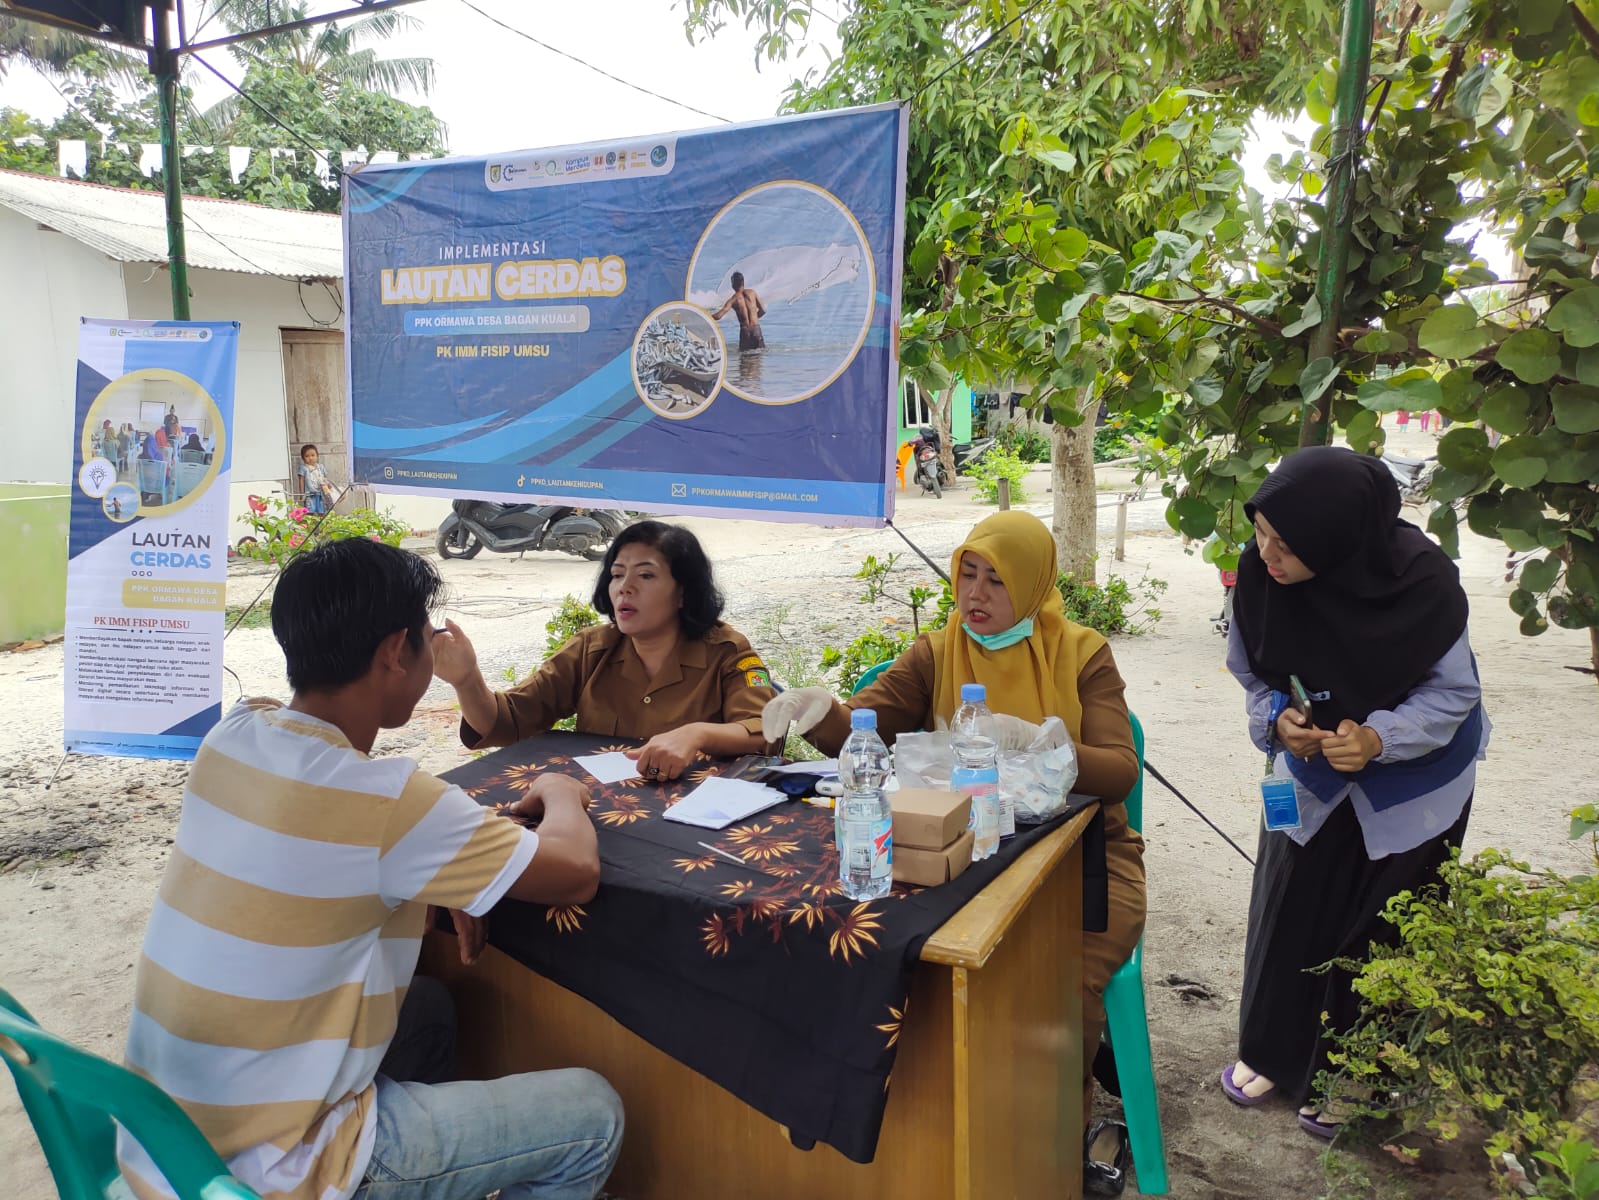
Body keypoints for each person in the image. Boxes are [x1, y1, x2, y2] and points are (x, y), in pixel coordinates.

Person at [118, 538, 623, 1200]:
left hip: (168, 1138)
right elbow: (575, 870)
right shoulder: (388, 802)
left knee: (430, 1010)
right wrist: (560, 790)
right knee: (593, 1116)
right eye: (426, 637)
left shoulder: (233, 735)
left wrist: (435, 882)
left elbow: (320, 860)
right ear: (394, 652)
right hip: (276, 1168)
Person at [760, 511, 1145, 1179]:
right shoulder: (937, 651)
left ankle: (1048, 1152)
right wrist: (819, 711)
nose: (975, 594)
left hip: (1086, 863)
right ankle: (937, 1147)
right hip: (960, 848)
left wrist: (1037, 740)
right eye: (967, 574)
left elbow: (1118, 771)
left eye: (997, 579)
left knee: (1056, 992)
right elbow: (869, 727)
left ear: (1031, 583)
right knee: (876, 951)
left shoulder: (1081, 652)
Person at [1220, 446, 1486, 1139]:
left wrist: (1375, 739)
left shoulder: (1423, 586)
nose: (1268, 556)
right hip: (1310, 769)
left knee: (1381, 925)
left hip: (1414, 778)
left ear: (1337, 539)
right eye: (1260, 533)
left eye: (1287, 544)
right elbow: (1253, 671)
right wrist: (1277, 718)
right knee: (1290, 908)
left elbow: (1453, 693)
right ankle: (1271, 1052)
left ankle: (1357, 1074)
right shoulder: (1262, 577)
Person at [435, 520, 777, 781]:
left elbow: (763, 731)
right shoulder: (591, 649)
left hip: (694, 817)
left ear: (683, 593)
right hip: (602, 809)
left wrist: (697, 734)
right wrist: (467, 680)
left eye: (646, 575)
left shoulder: (728, 651)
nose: (625, 587)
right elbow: (506, 721)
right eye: (617, 575)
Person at [712, 270, 766, 351]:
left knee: (744, 357)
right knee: (759, 355)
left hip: (745, 332)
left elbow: (718, 316)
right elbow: (763, 310)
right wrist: (754, 319)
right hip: (756, 330)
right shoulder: (752, 293)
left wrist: (705, 314)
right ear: (743, 282)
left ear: (733, 284)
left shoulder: (733, 300)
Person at [298, 442, 336, 514]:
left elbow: (325, 478)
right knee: (310, 511)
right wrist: (302, 494)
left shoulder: (320, 467)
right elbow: (301, 481)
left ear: (317, 456)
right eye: (307, 456)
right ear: (303, 458)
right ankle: (311, 521)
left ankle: (322, 521)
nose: (310, 458)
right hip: (310, 495)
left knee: (322, 511)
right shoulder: (304, 468)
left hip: (322, 494)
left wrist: (328, 485)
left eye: (313, 455)